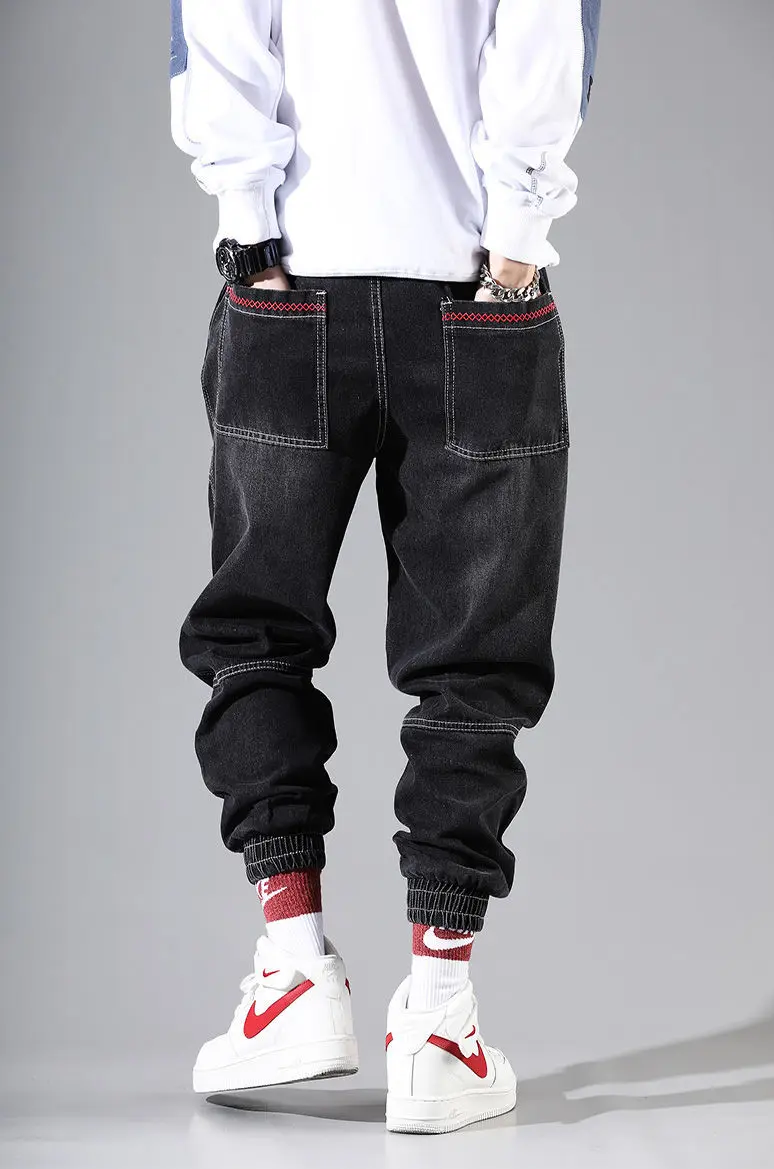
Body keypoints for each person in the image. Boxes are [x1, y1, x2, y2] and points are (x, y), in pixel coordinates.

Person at [170, 0, 600, 1134]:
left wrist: (249, 229)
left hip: (293, 277)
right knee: (475, 655)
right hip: (472, 281)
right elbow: (543, 37)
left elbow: (219, 33)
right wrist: (515, 245)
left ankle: (292, 968)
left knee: (256, 632)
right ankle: (440, 1024)